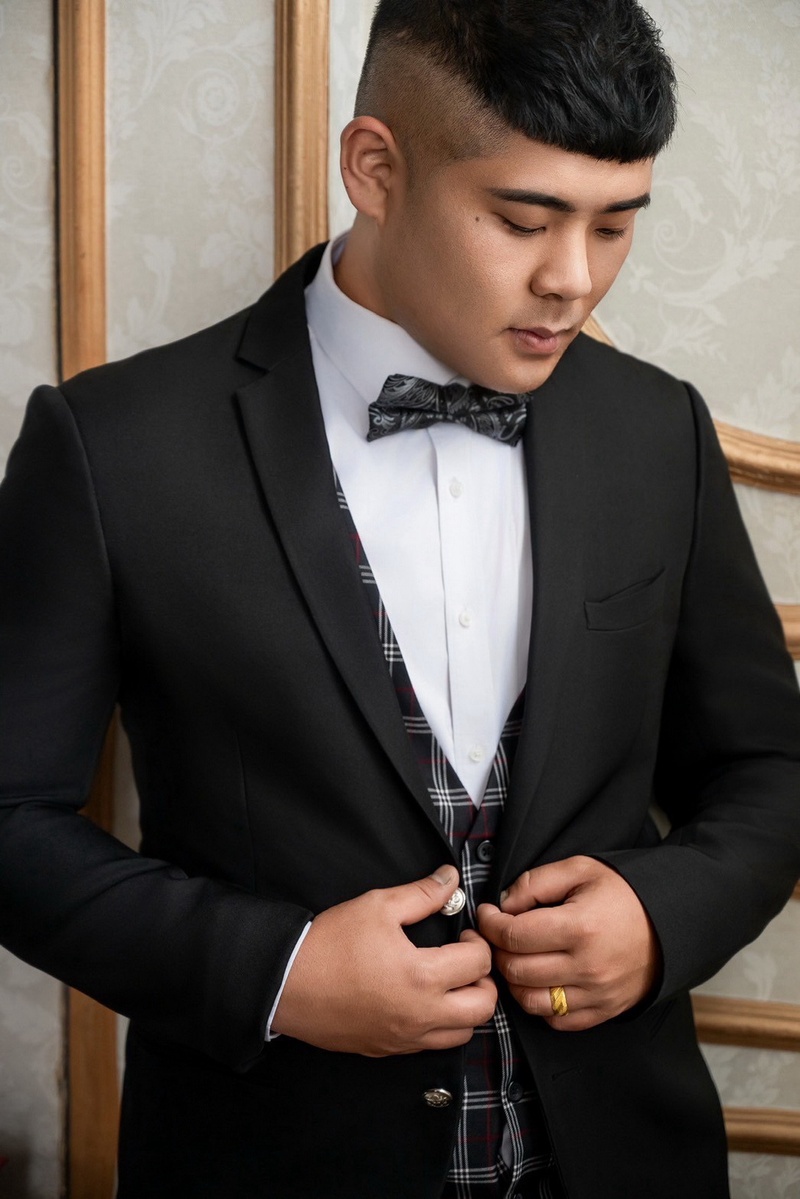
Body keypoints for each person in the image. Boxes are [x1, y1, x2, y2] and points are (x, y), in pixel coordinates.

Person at [1, 1, 799, 1196]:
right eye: (520, 220)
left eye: (614, 223)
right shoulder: (114, 445)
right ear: (374, 168)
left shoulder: (656, 429)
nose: (572, 279)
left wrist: (657, 913)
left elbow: (768, 767)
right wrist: (277, 969)